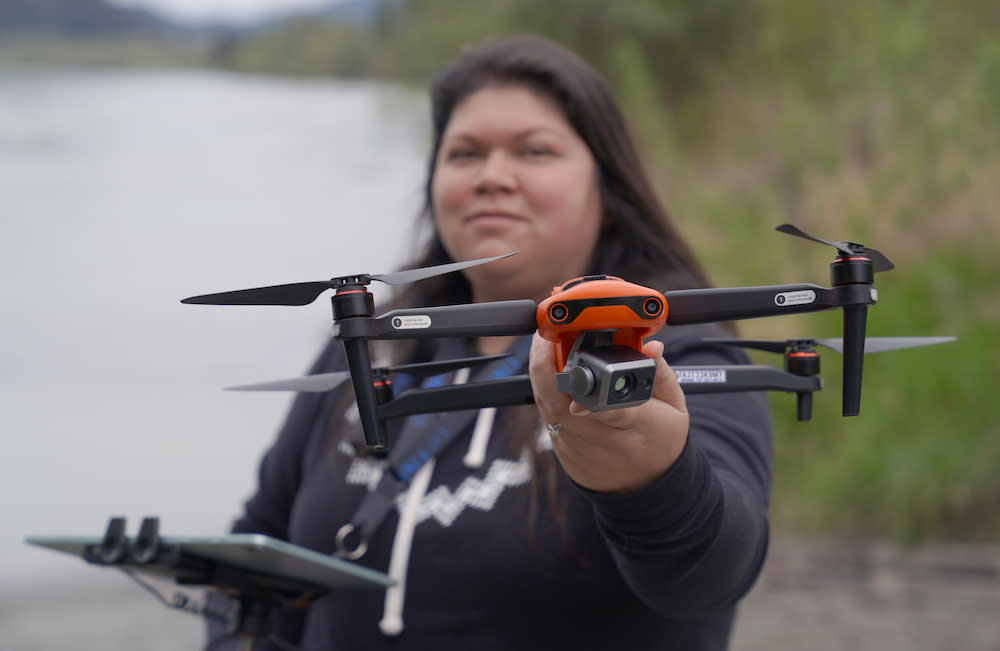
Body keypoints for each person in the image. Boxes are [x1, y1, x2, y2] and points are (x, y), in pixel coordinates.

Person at [205, 34, 772, 651]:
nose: (493, 177)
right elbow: (257, 546)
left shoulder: (672, 354)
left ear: (607, 193)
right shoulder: (372, 346)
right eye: (465, 153)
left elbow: (713, 576)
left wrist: (654, 485)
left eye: (535, 150)